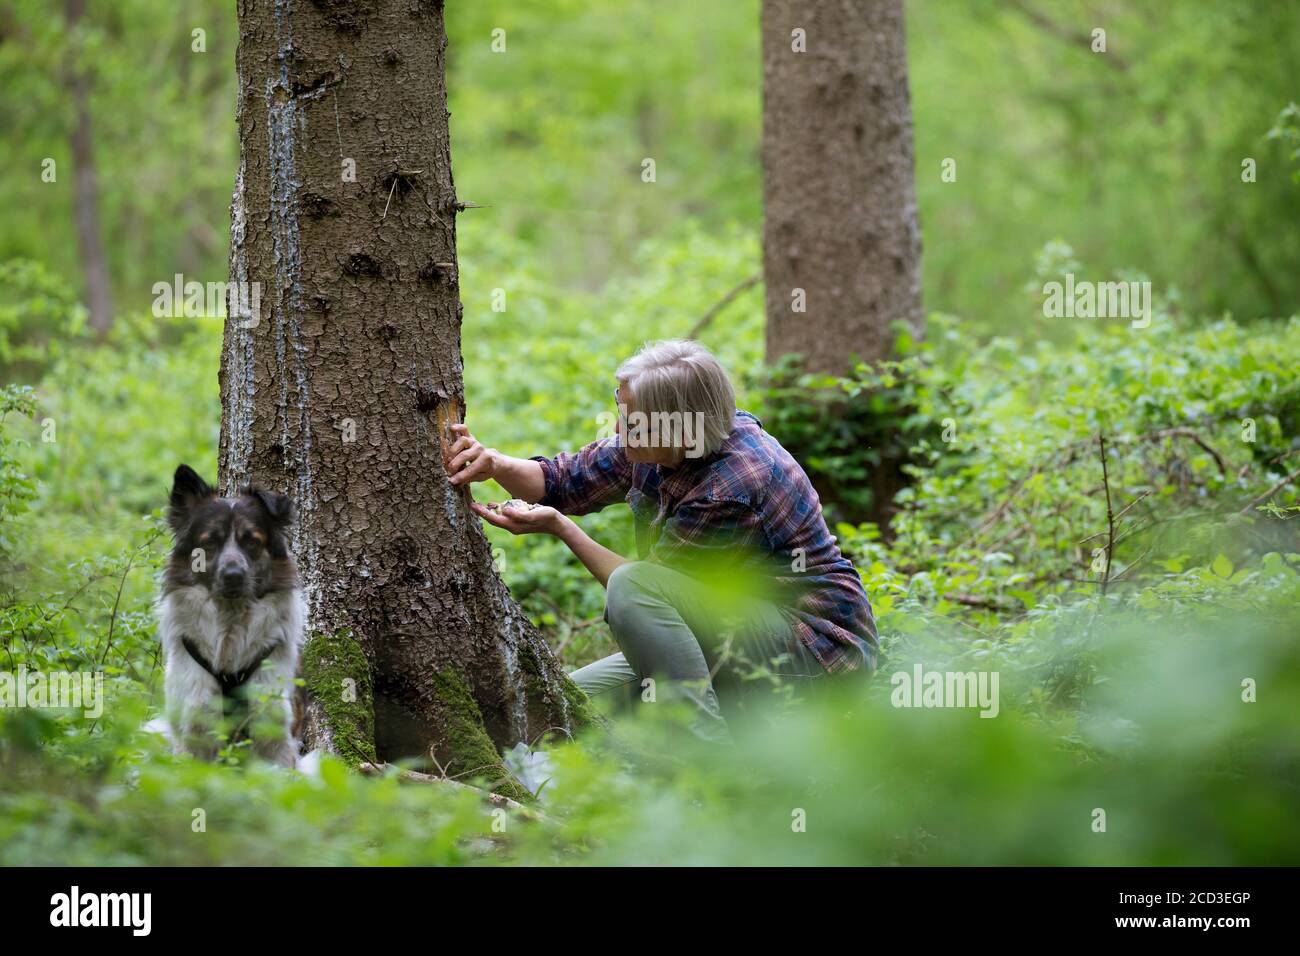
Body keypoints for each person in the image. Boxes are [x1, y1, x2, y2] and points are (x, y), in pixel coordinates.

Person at [445, 339, 876, 743]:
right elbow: (560, 481)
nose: (619, 428)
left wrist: (562, 528)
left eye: (633, 421)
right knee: (563, 706)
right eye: (622, 410)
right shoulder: (656, 443)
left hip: (813, 654)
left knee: (632, 587)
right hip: (726, 633)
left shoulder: (732, 486)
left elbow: (644, 590)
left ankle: (706, 757)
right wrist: (494, 463)